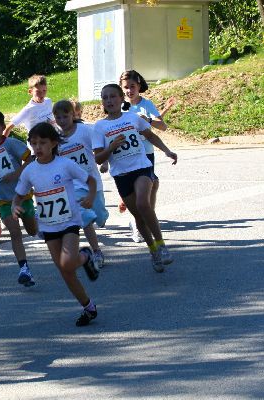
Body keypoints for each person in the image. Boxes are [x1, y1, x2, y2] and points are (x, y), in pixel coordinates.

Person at [14, 122, 100, 326]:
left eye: (42, 143)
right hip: (49, 225)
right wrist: (16, 207)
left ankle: (86, 255)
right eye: (33, 143)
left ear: (53, 143)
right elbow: (18, 195)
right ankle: (88, 307)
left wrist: (90, 196)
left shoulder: (65, 164)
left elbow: (91, 180)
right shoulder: (30, 171)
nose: (37, 147)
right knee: (65, 271)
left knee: (67, 262)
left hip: (69, 221)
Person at [92, 84, 178, 272]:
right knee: (138, 215)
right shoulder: (99, 127)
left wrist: (167, 151)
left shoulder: (133, 117)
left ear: (122, 98)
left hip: (141, 167)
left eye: (113, 96)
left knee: (143, 203)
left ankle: (162, 245)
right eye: (105, 97)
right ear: (103, 102)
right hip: (121, 174)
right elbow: (98, 157)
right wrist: (112, 147)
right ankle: (153, 250)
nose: (109, 100)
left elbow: (151, 136)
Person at [0, 110, 38, 286]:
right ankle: (24, 269)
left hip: (22, 195)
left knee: (32, 231)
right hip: (3, 199)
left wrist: (16, 173)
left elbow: (31, 159)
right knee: (14, 233)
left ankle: (35, 219)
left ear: (2, 127)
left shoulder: (11, 144)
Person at [53, 100, 108, 269]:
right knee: (84, 217)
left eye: (65, 116)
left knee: (100, 217)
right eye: (58, 117)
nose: (62, 120)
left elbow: (101, 145)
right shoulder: (56, 138)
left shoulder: (85, 131)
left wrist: (104, 162)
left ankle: (100, 215)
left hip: (92, 181)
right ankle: (97, 251)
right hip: (73, 186)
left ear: (74, 115)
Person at [119, 70, 172, 242]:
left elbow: (162, 126)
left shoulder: (146, 105)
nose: (129, 91)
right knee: (137, 192)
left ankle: (145, 220)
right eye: (125, 87)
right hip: (127, 154)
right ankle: (137, 224)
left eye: (132, 86)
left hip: (146, 153)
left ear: (139, 86)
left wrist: (147, 120)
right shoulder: (119, 105)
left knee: (149, 188)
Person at [3, 75, 57, 139]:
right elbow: (9, 127)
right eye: (38, 91)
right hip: (37, 145)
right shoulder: (28, 110)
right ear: (30, 92)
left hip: (53, 140)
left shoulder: (48, 101)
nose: (41, 94)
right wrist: (1, 145)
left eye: (44, 90)